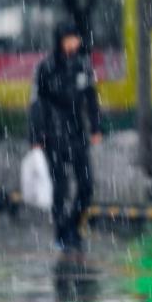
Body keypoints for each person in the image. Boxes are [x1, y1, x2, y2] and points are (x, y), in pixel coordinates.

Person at [29, 22, 102, 250]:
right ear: (60, 40)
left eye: (76, 38)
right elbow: (37, 104)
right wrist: (36, 136)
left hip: (77, 133)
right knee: (59, 186)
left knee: (86, 185)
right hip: (53, 135)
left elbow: (91, 99)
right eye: (69, 38)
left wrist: (96, 127)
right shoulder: (47, 67)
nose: (73, 43)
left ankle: (72, 227)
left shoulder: (83, 66)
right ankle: (61, 233)